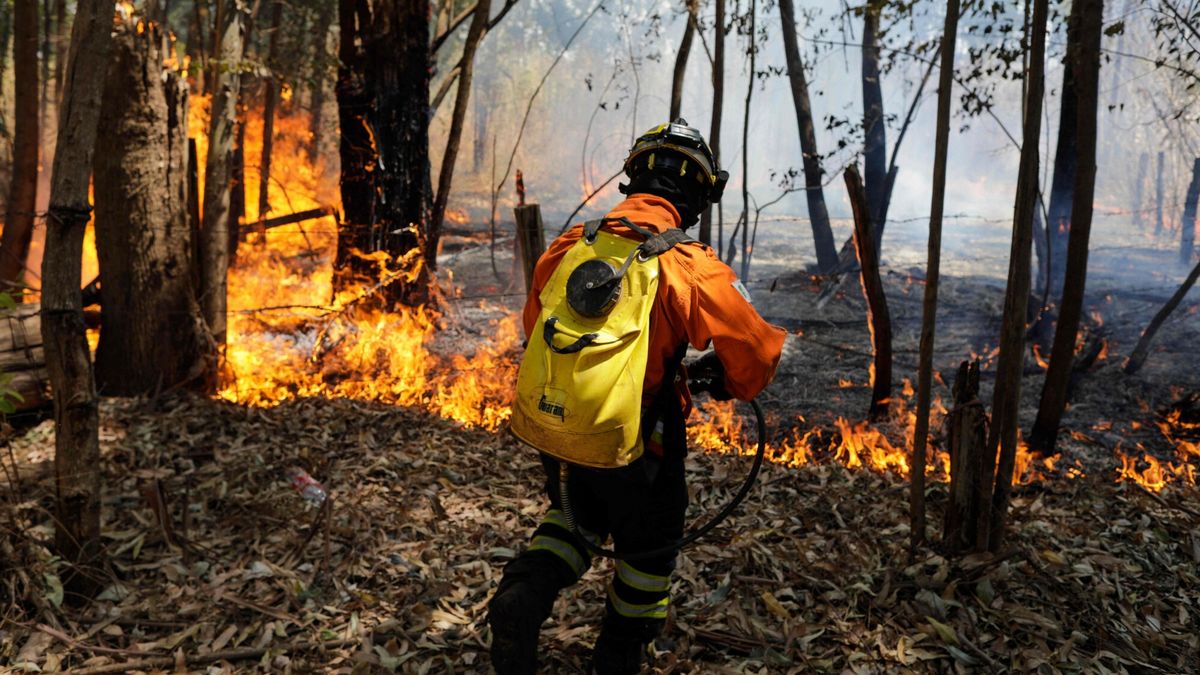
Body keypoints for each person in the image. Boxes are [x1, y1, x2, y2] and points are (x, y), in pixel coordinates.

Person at [489, 120, 786, 674]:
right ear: (699, 193)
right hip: (644, 442)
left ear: (633, 178)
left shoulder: (571, 245)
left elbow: (536, 329)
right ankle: (618, 655)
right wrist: (725, 380)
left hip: (567, 423)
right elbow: (758, 355)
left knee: (575, 519)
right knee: (650, 544)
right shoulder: (691, 265)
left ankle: (523, 597)